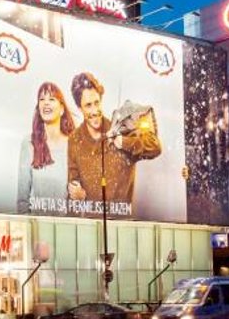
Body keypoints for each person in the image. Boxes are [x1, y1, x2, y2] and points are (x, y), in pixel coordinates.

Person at [66, 72, 162, 217]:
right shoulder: (74, 139)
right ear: (79, 108)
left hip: (122, 226)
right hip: (90, 226)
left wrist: (124, 142)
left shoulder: (120, 129)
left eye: (97, 102)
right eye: (88, 105)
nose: (94, 110)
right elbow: (73, 185)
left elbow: (155, 147)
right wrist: (76, 194)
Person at [17, 82, 75, 215]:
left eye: (51, 99)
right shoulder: (28, 143)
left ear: (61, 109)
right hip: (36, 227)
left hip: (66, 227)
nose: (46, 103)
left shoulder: (74, 144)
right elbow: (22, 200)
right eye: (42, 99)